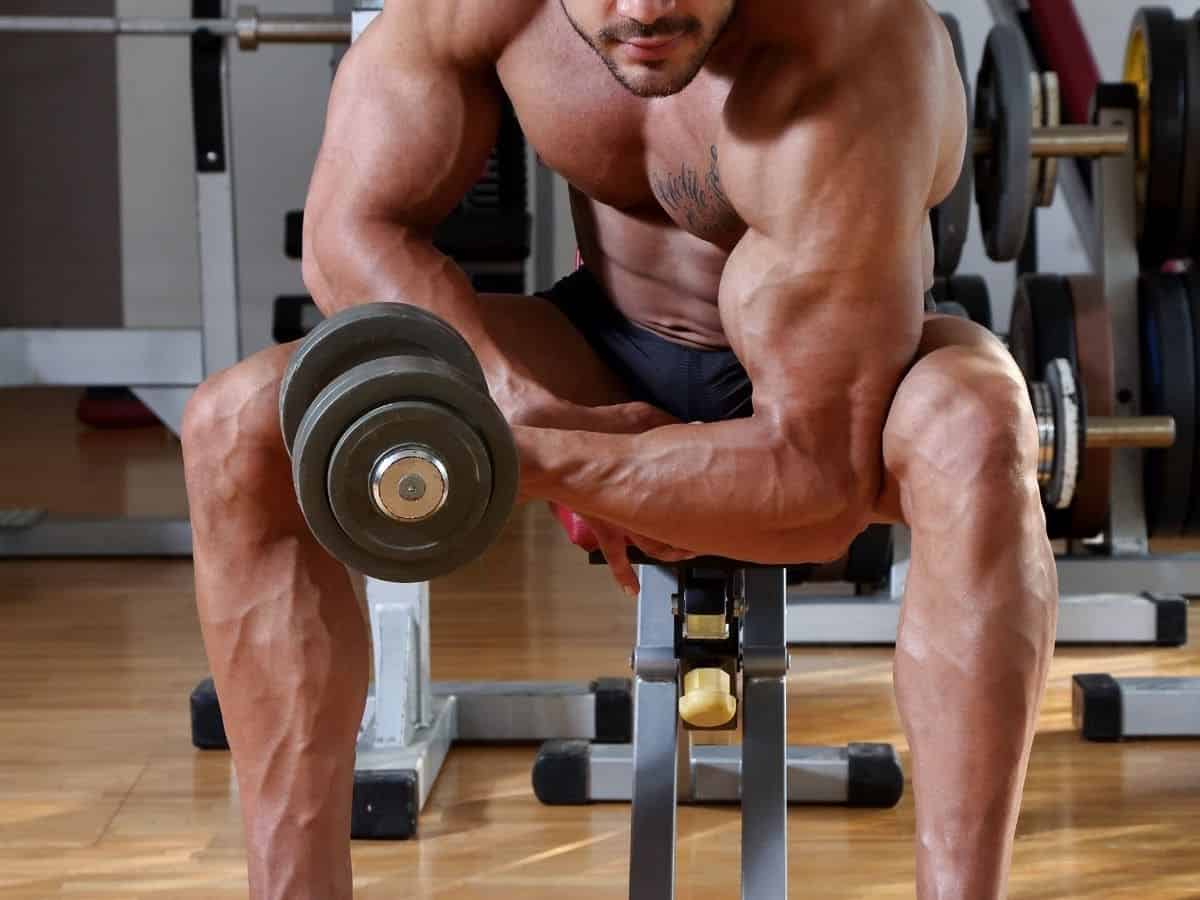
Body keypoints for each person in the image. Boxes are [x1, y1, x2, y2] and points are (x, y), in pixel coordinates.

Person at [180, 2, 1058, 897]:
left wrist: (539, 459)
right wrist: (518, 403)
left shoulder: (851, 39)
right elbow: (352, 229)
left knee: (976, 426)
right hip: (602, 344)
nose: (641, 8)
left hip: (844, 385)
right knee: (234, 428)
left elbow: (819, 491)